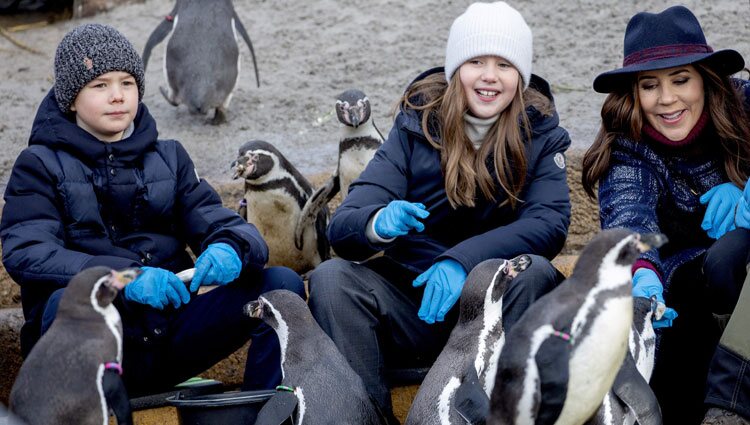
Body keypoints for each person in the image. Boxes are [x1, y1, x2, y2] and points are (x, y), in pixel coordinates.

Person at [0, 23, 305, 397]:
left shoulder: (170, 157)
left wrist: (232, 246)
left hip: (170, 332)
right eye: (100, 85)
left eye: (127, 83)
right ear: (70, 98)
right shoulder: (38, 165)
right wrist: (122, 279)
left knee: (281, 288)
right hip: (95, 351)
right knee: (64, 303)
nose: (117, 96)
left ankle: (266, 414)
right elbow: (27, 253)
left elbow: (222, 222)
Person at [307, 2, 571, 422]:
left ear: (519, 77)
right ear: (455, 70)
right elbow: (345, 225)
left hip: (497, 307)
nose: (489, 75)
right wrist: (378, 223)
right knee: (332, 279)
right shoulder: (414, 127)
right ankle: (367, 416)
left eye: (504, 64)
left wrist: (462, 262)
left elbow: (550, 224)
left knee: (535, 273)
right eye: (476, 61)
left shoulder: (539, 131)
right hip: (420, 306)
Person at [583, 6, 750, 424]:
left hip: (740, 268)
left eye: (681, 80)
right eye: (650, 85)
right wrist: (642, 272)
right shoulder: (627, 144)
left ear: (705, 82)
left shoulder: (743, 103)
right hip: (682, 287)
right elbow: (628, 212)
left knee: (730, 255)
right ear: (633, 93)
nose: (667, 98)